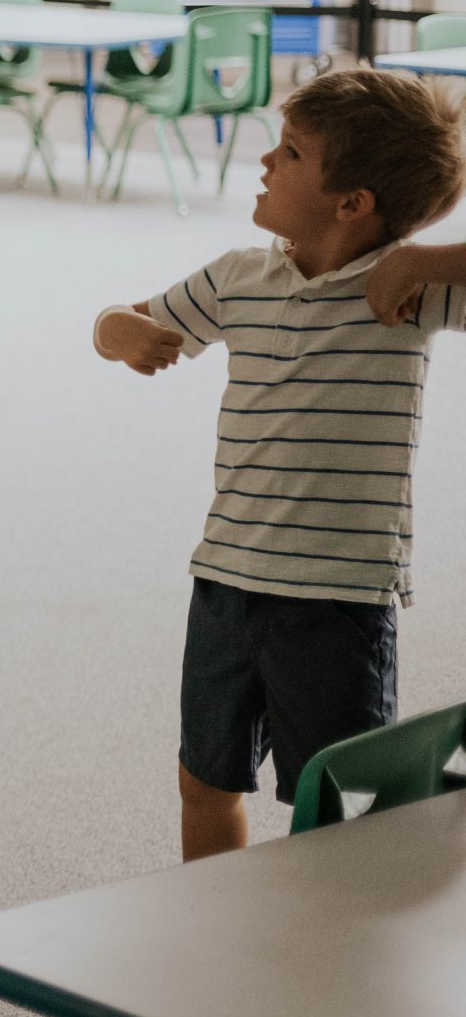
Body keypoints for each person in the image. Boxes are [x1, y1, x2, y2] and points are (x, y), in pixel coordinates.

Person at [93, 69, 466, 861]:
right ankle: (214, 921)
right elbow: (119, 318)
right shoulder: (239, 275)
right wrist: (119, 331)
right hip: (226, 581)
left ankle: (327, 958)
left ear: (353, 202)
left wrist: (426, 260)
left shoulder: (404, 291)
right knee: (205, 781)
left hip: (335, 601)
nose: (266, 160)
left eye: (291, 151)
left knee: (342, 803)